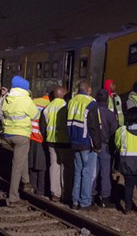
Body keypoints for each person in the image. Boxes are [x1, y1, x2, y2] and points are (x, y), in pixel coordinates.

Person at [2, 76, 39, 206]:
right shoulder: (26, 100)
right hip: (21, 135)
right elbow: (36, 115)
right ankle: (13, 197)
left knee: (22, 157)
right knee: (16, 166)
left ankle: (26, 182)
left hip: (8, 135)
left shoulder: (7, 98)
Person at [67, 81, 101, 210]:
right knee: (87, 172)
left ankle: (75, 201)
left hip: (74, 142)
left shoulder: (72, 101)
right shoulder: (90, 103)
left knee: (77, 171)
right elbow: (94, 127)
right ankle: (85, 202)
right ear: (89, 89)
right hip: (87, 142)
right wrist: (97, 145)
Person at [41, 86, 74, 203]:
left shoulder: (47, 108)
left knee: (54, 166)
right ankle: (66, 193)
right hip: (65, 142)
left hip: (51, 142)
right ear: (63, 94)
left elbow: (43, 127)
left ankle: (55, 193)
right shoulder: (67, 106)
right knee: (66, 168)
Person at [93, 89, 118, 208]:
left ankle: (91, 195)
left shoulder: (91, 111)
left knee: (92, 172)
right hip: (104, 145)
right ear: (107, 100)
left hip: (92, 145)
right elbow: (114, 131)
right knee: (105, 172)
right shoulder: (109, 114)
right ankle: (105, 198)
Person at [28, 92, 50, 196]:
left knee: (32, 164)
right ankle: (40, 190)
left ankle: (32, 186)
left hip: (31, 136)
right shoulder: (50, 104)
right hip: (42, 138)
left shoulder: (34, 101)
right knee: (42, 166)